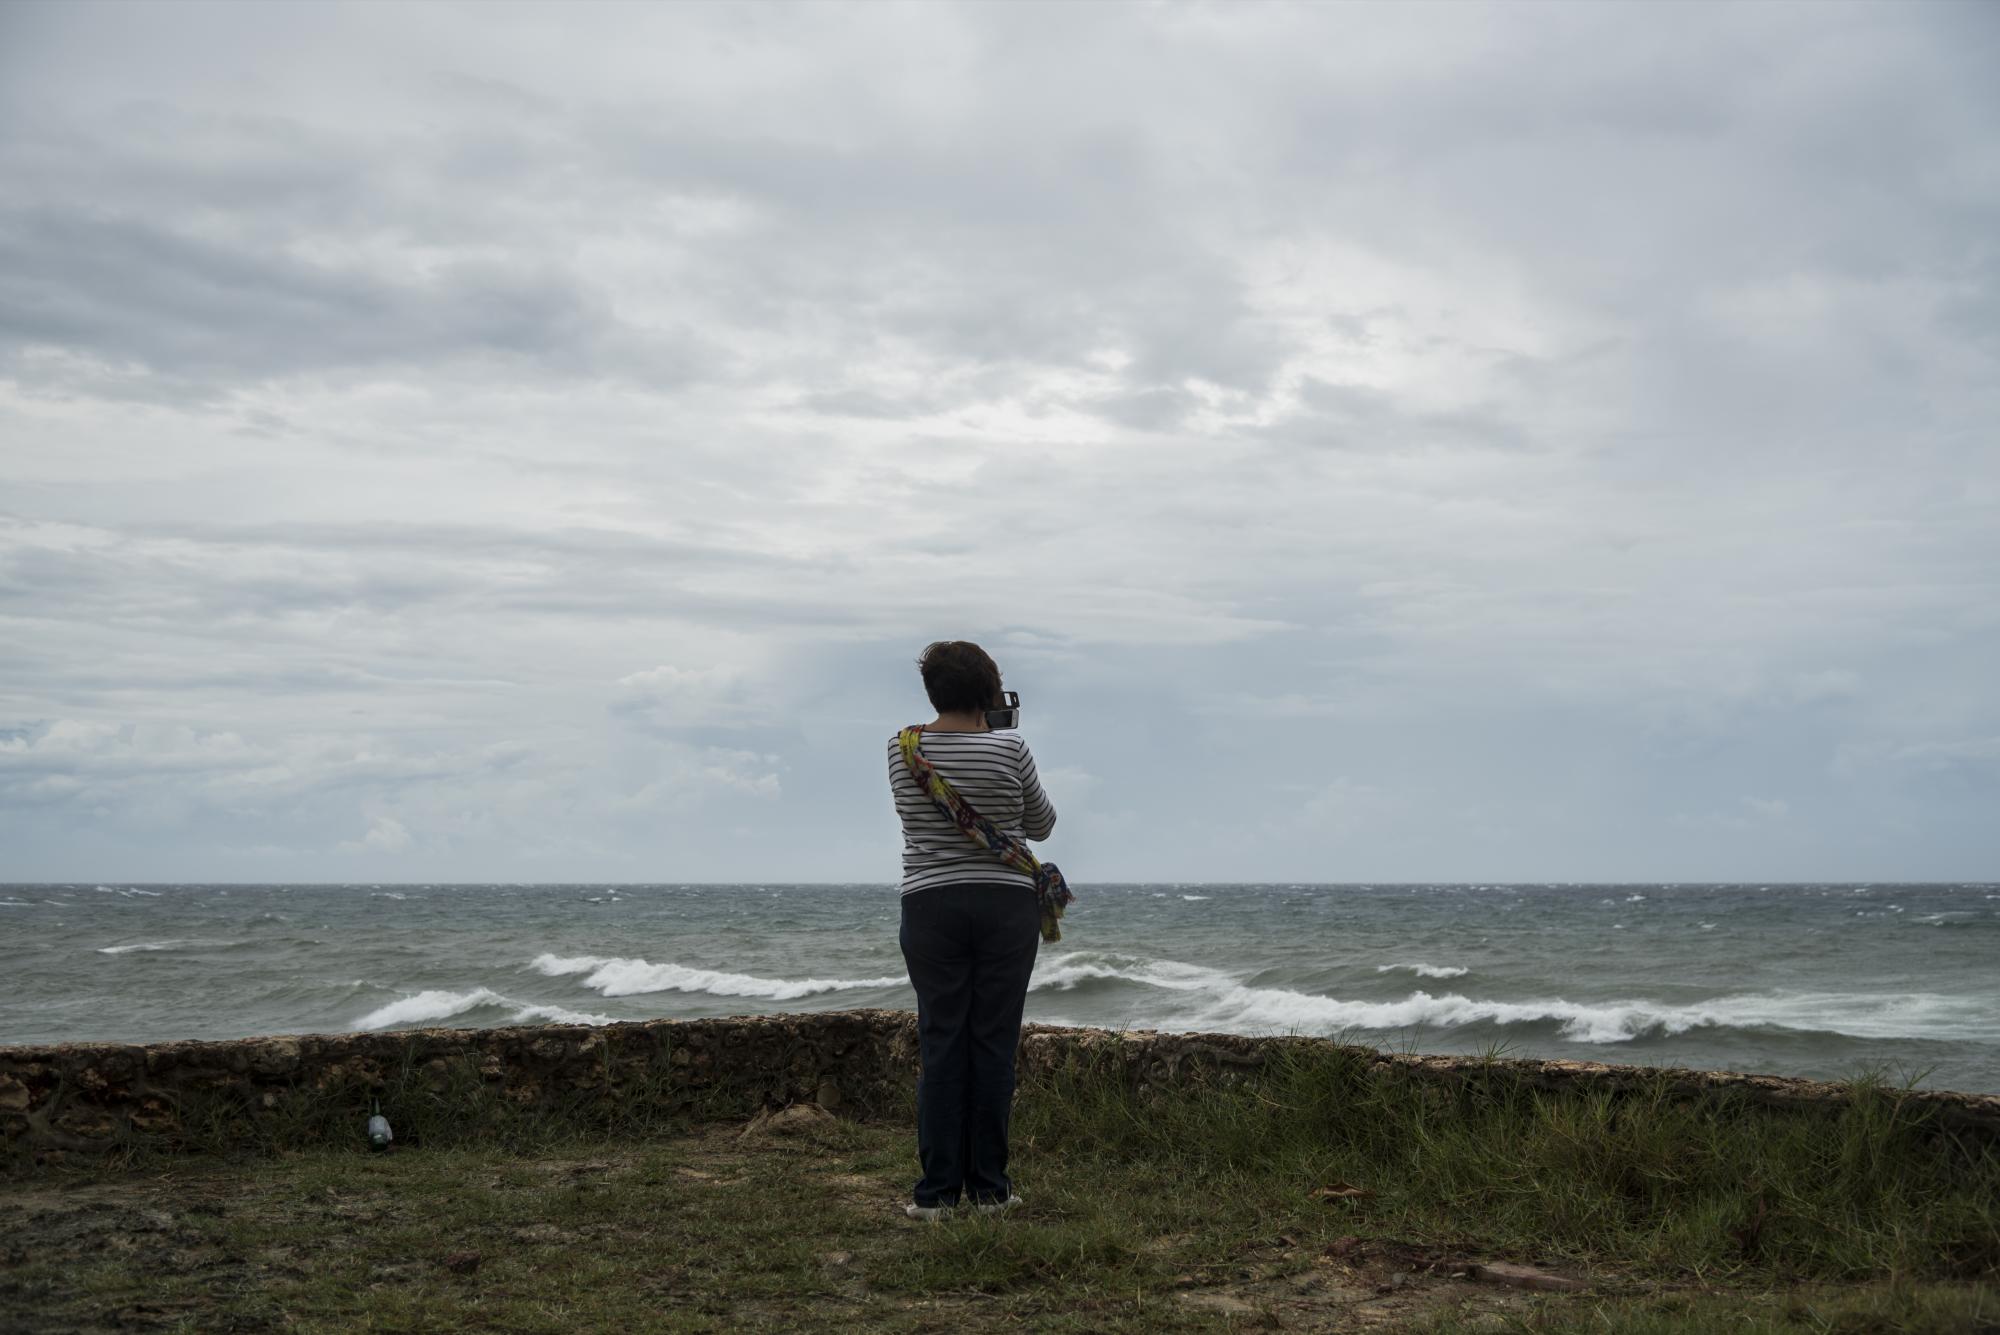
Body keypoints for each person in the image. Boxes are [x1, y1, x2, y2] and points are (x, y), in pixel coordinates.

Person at [887, 640, 1057, 1220]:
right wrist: (998, 734)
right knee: (992, 1043)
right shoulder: (1010, 745)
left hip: (930, 903)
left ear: (932, 691)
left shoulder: (903, 748)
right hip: (1005, 904)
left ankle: (934, 1195)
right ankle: (990, 1189)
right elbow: (1043, 824)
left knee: (942, 1043)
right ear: (990, 691)